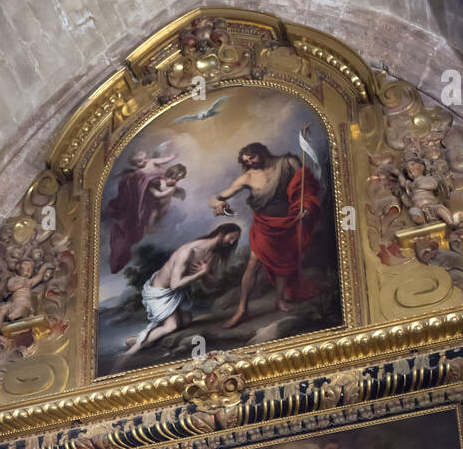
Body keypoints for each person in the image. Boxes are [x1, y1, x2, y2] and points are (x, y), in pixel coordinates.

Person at [209, 140, 321, 326]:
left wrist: (306, 205)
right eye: (247, 160)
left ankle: (279, 300)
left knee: (284, 262)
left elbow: (306, 186)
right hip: (264, 225)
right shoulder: (247, 178)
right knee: (253, 263)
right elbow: (214, 199)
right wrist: (218, 204)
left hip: (289, 221)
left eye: (252, 157)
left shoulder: (288, 163)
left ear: (261, 152)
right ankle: (241, 310)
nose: (251, 162)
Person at [121, 225, 241, 360]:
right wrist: (200, 274)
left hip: (180, 290)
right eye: (231, 238)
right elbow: (174, 285)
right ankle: (130, 352)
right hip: (161, 291)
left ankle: (137, 338)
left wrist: (205, 273)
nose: (231, 243)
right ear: (221, 233)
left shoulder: (213, 254)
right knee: (172, 327)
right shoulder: (190, 251)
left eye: (234, 241)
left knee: (186, 322)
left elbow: (211, 285)